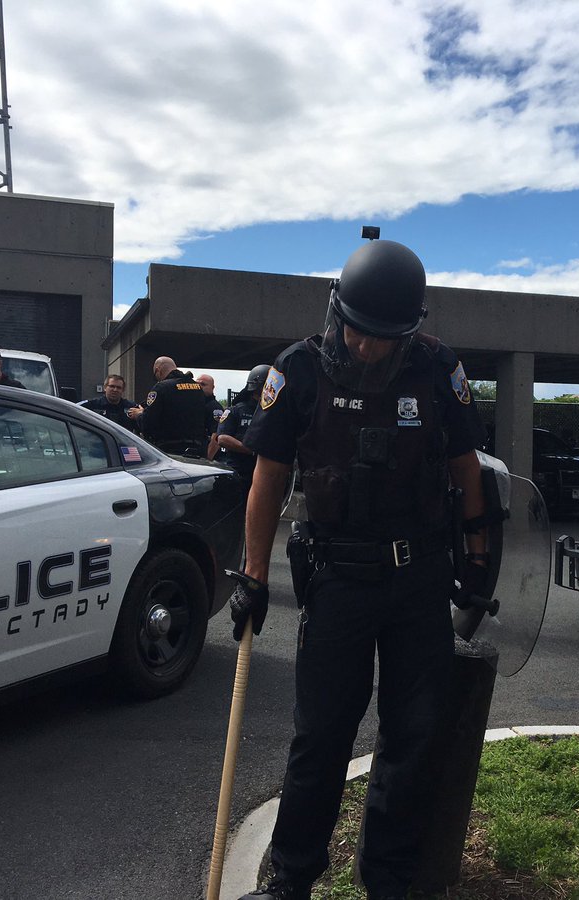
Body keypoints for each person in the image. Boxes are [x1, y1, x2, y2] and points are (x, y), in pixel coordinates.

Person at [230, 239, 489, 900]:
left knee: (413, 737)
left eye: (382, 336)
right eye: (357, 331)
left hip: (419, 579)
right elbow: (269, 479)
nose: (366, 346)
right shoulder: (299, 371)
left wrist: (481, 554)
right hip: (339, 579)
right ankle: (291, 878)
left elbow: (465, 464)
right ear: (336, 311)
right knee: (320, 737)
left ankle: (389, 881)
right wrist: (253, 576)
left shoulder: (437, 369)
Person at [126, 356, 212, 454]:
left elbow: (148, 423)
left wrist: (139, 414)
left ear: (158, 370)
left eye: (155, 375)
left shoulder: (161, 387)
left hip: (170, 449)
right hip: (197, 449)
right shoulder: (197, 388)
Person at [215, 364, 270, 484]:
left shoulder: (273, 412)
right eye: (268, 386)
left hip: (266, 472)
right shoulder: (235, 410)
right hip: (240, 471)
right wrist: (251, 450)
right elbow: (222, 438)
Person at [195, 371, 226, 458]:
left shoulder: (214, 408)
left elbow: (216, 435)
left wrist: (208, 459)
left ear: (212, 387)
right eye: (197, 384)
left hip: (207, 457)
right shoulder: (197, 404)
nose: (199, 387)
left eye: (203, 384)